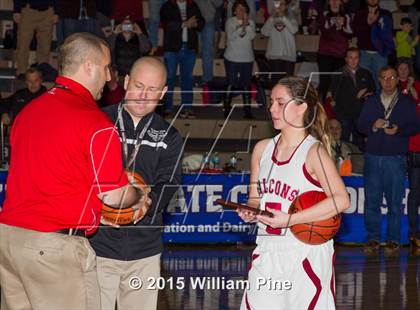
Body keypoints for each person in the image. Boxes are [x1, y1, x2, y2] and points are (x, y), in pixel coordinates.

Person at [0, 32, 147, 309]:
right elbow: (114, 196)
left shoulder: (27, 113)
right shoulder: (95, 122)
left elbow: (54, 177)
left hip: (9, 241)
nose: (108, 77)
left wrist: (90, 206)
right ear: (88, 66)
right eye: (106, 68)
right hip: (53, 249)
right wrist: (138, 195)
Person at [237, 76, 350, 309]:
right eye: (271, 102)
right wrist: (251, 210)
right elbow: (256, 198)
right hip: (267, 249)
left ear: (301, 107)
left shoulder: (314, 152)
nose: (272, 108)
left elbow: (341, 200)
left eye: (280, 102)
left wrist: (291, 219)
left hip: (305, 251)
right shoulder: (262, 149)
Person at [89, 57, 183, 310]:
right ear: (127, 82)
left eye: (152, 90)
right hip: (97, 245)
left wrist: (145, 203)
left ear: (163, 92)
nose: (143, 95)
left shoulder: (170, 136)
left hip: (145, 250)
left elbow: (170, 182)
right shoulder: (96, 122)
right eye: (139, 85)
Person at [358, 66, 420, 255]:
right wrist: (373, 126)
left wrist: (399, 130)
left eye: (391, 77)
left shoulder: (407, 102)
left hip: (396, 157)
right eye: (384, 78)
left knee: (394, 202)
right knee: (372, 201)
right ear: (379, 79)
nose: (388, 81)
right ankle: (373, 238)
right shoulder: (371, 101)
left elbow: (416, 127)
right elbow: (360, 125)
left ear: (396, 79)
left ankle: (393, 240)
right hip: (373, 156)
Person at [160, 0, 205, 118]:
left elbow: (201, 23)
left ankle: (187, 108)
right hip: (172, 48)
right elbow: (167, 25)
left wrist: (195, 24)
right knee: (169, 78)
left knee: (187, 78)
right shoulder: (167, 6)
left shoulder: (193, 5)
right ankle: (167, 107)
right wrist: (184, 24)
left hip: (189, 47)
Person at [329, 47, 375, 151]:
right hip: (344, 115)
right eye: (350, 57)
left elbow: (373, 91)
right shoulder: (338, 74)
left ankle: (359, 166)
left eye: (356, 57)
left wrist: (365, 95)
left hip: (360, 114)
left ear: (360, 59)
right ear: (346, 59)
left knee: (359, 145)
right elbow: (334, 96)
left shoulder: (366, 73)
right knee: (343, 144)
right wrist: (357, 97)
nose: (353, 60)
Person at [396, 58, 420, 248]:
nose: (403, 72)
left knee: (415, 193)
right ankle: (407, 234)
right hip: (402, 149)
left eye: (406, 68)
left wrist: (412, 88)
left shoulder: (416, 85)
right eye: (400, 68)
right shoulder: (392, 87)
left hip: (416, 149)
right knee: (401, 193)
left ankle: (414, 234)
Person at [223, 0, 256, 119]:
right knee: (230, 83)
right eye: (238, 8)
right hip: (232, 57)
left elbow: (252, 36)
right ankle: (226, 108)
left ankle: (247, 110)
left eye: (243, 8)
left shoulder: (251, 22)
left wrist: (246, 24)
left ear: (247, 11)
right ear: (234, 10)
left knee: (246, 84)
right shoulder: (230, 22)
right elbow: (231, 37)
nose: (240, 11)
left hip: (247, 58)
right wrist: (241, 26)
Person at [352, 0, 394, 89]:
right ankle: (366, 102)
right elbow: (355, 32)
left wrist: (375, 23)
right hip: (364, 53)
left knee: (382, 84)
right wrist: (368, 23)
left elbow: (389, 34)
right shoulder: (360, 13)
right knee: (364, 84)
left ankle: (381, 102)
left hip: (381, 53)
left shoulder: (386, 13)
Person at [317, 0, 352, 102]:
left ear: (341, 2)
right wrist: (334, 25)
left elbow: (350, 34)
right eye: (332, 0)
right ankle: (321, 109)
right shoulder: (323, 15)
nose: (335, 2)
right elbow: (325, 32)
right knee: (324, 83)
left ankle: (336, 110)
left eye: (337, 0)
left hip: (340, 55)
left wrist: (341, 27)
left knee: (339, 83)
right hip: (325, 54)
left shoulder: (347, 15)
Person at [13, 0, 59, 78]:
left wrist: (57, 12)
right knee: (23, 44)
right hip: (28, 11)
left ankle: (42, 71)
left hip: (47, 12)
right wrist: (17, 10)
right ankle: (21, 71)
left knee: (45, 46)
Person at [260, 0, 298, 85]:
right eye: (278, 4)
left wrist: (283, 17)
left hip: (288, 56)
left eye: (283, 4)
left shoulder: (291, 18)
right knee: (276, 84)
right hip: (274, 56)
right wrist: (272, 18)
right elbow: (264, 32)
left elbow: (294, 30)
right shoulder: (271, 18)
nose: (280, 6)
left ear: (286, 6)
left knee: (288, 86)